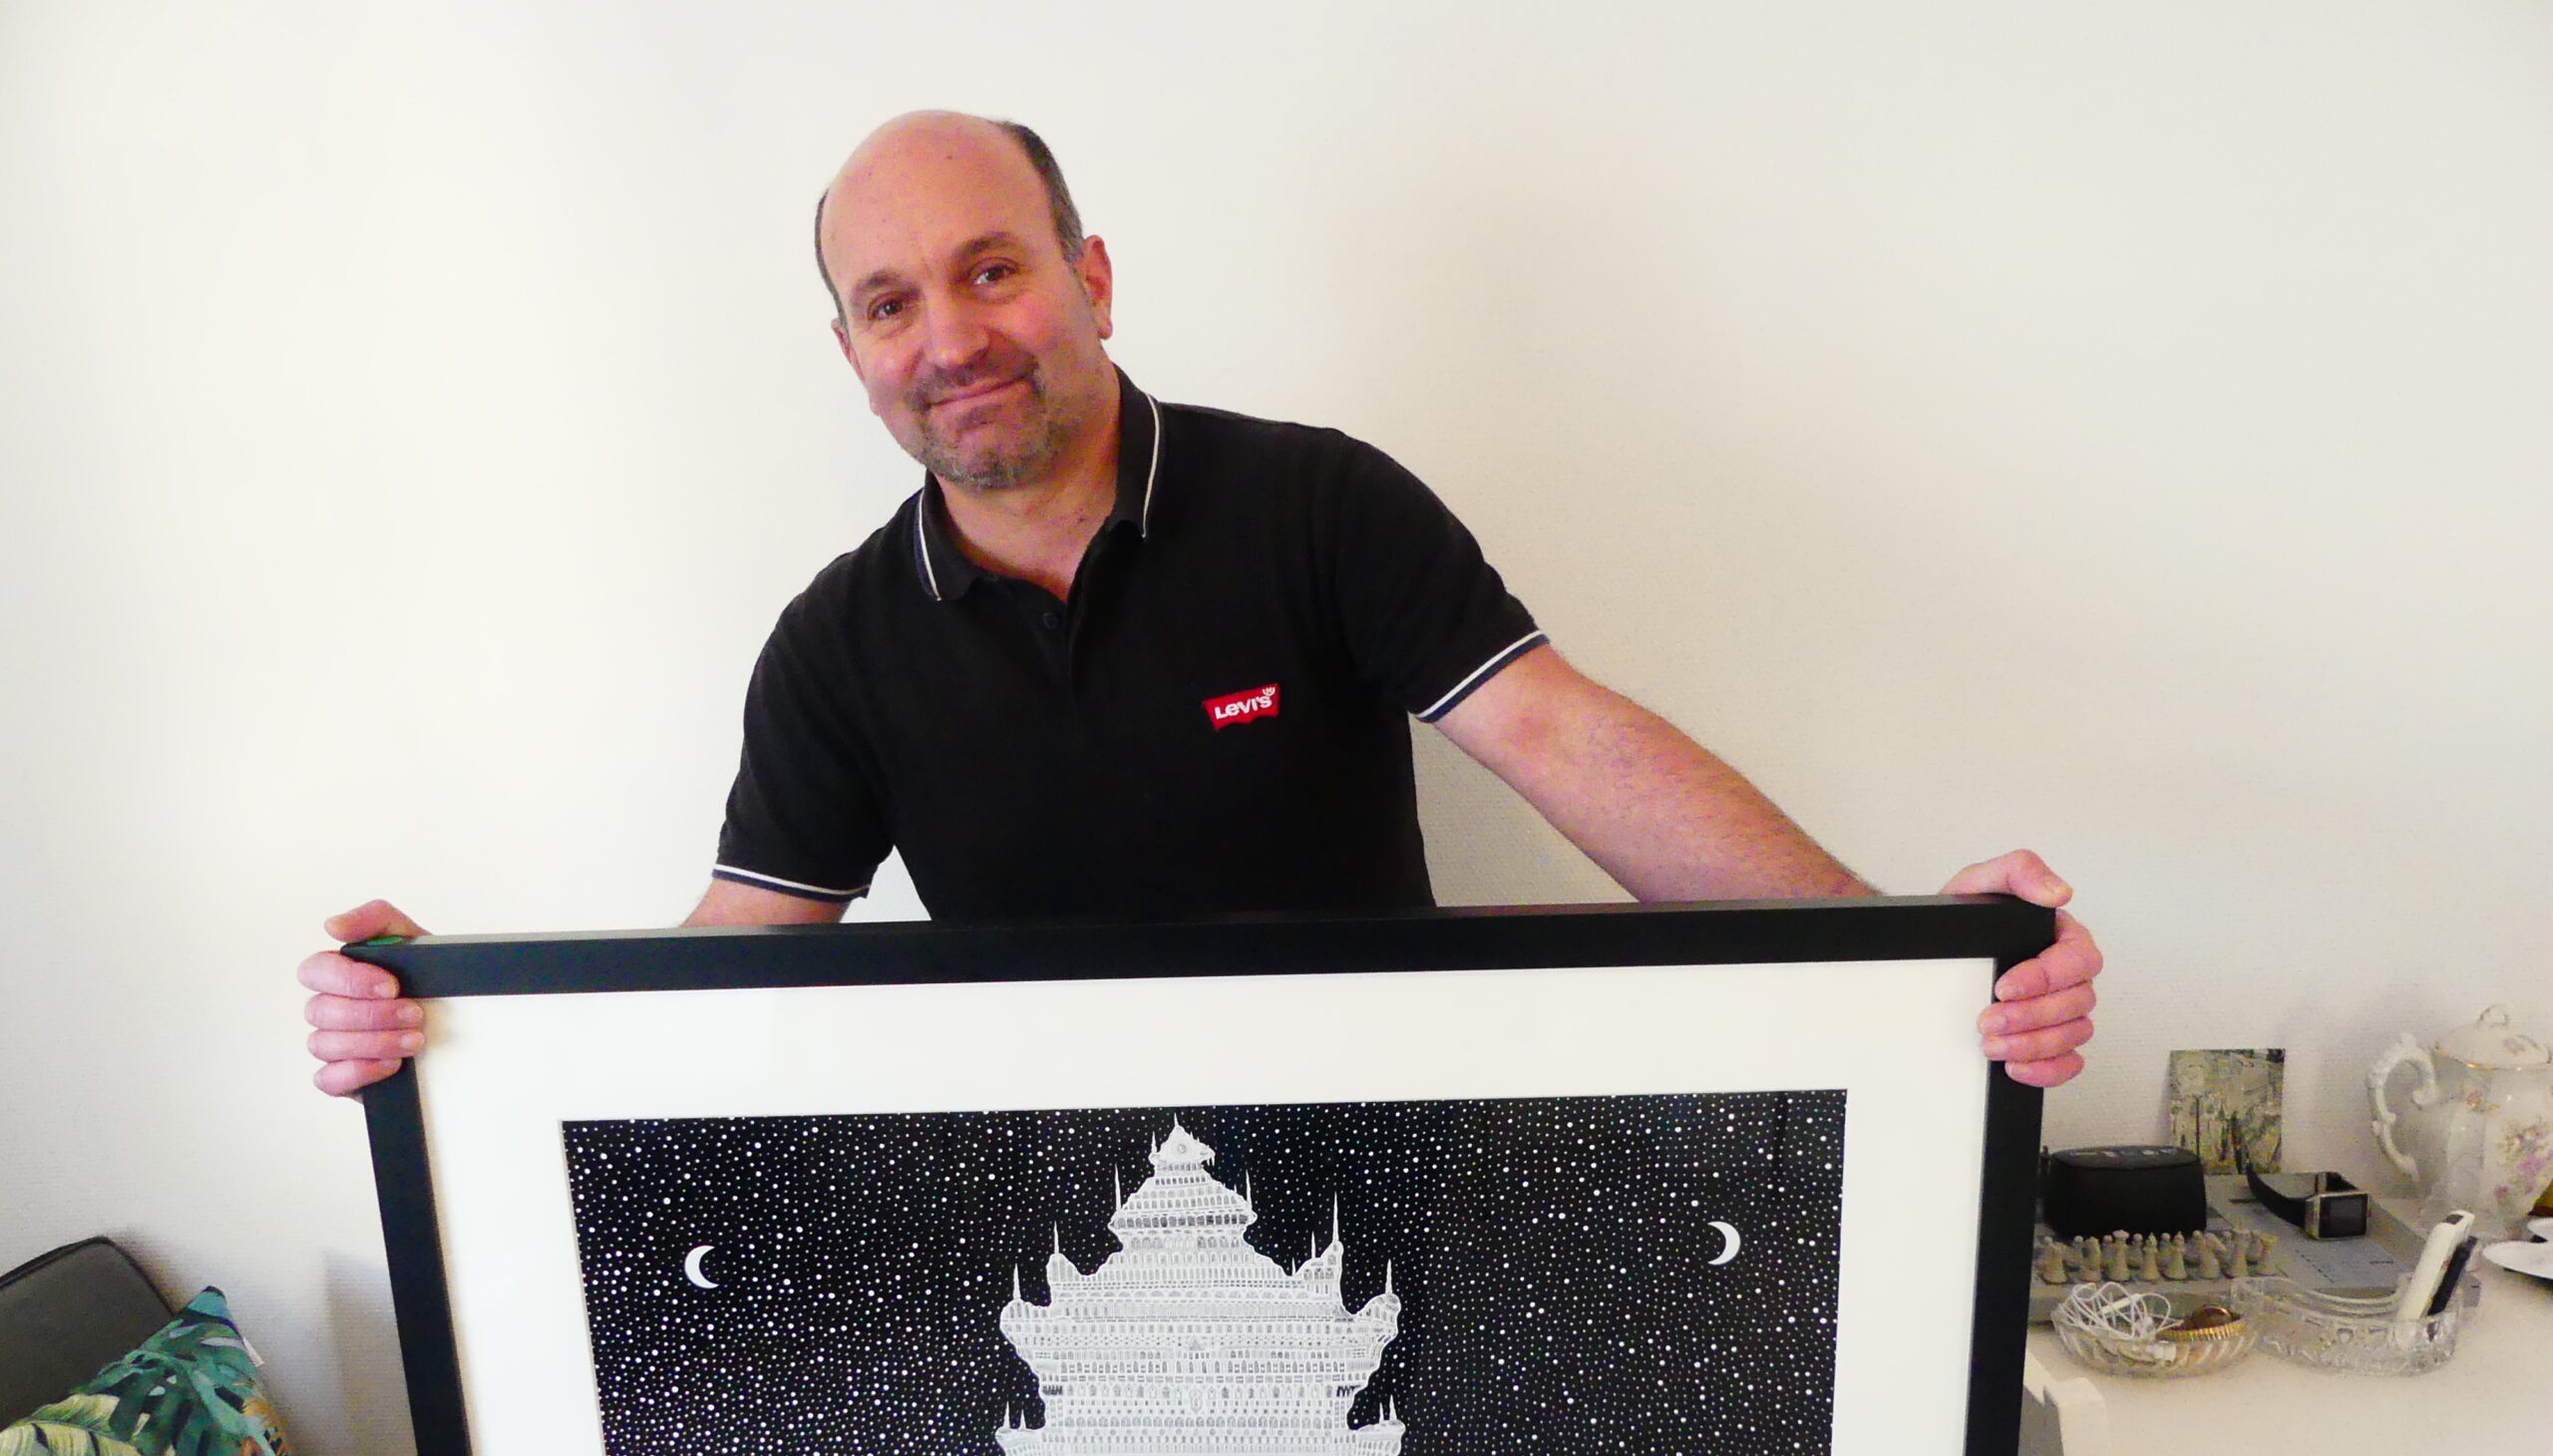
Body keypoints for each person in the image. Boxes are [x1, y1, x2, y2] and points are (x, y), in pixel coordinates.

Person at [301, 111, 2099, 1095]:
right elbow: (734, 958)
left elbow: (1567, 742)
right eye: (892, 302)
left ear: (1089, 278)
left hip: (1396, 1189)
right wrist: (450, 1017)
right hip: (1043, 1257)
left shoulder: (1316, 503)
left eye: (991, 270)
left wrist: (1906, 953)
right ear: (851, 351)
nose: (952, 337)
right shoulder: (837, 645)